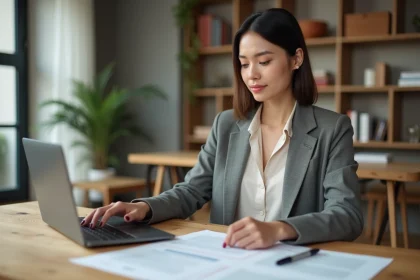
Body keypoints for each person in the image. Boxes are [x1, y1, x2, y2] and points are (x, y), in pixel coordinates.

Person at [81, 8, 363, 249]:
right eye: (243, 64)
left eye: (264, 61)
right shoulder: (226, 124)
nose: (251, 73)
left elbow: (347, 215)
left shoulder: (332, 129)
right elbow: (192, 191)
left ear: (296, 59)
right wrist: (144, 207)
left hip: (291, 263)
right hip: (229, 261)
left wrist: (279, 229)